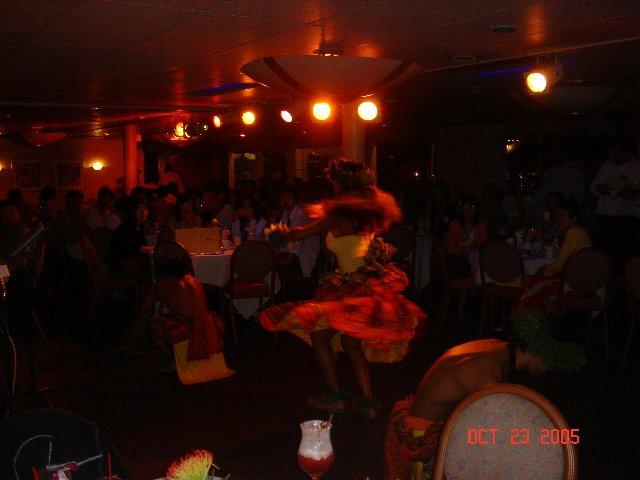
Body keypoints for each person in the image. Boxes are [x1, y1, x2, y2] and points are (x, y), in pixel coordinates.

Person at [259, 159, 426, 418]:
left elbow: (299, 234)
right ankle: (368, 402)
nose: (332, 184)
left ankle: (336, 396)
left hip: (352, 288)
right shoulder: (366, 212)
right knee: (350, 344)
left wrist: (276, 234)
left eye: (334, 180)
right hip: (365, 284)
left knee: (320, 336)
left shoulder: (340, 214)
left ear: (343, 183)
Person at [384, 310, 586, 480]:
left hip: (431, 419)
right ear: (539, 352)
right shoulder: (486, 375)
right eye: (552, 362)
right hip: (421, 437)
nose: (550, 369)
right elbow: (504, 430)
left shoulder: (496, 347)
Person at [133, 256, 225, 373]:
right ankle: (181, 357)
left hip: (189, 331)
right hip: (210, 330)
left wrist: (133, 336)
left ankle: (175, 360)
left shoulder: (159, 285)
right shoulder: (194, 281)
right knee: (177, 320)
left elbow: (144, 314)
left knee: (153, 324)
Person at [538, 199, 590, 276]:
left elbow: (563, 260)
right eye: (558, 216)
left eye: (562, 216)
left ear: (573, 218)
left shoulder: (573, 232)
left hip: (582, 274)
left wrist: (546, 272)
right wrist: (548, 267)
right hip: (581, 271)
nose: (559, 219)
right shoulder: (578, 229)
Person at [106, 199, 153, 280]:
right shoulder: (127, 226)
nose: (143, 212)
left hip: (131, 261)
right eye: (139, 209)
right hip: (121, 265)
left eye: (145, 209)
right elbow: (135, 249)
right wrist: (156, 248)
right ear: (133, 211)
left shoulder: (139, 226)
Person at [278, 187, 320, 278]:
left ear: (295, 199)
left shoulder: (301, 215)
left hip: (304, 255)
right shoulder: (285, 214)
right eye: (282, 198)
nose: (285, 201)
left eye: (288, 197)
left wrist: (286, 258)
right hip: (295, 254)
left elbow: (296, 241)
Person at [445, 195, 487, 278]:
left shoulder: (481, 225)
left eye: (473, 207)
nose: (469, 209)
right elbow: (451, 247)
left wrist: (474, 247)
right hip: (459, 261)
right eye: (466, 206)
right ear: (461, 209)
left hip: (477, 259)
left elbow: (483, 245)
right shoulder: (455, 224)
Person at [58, 190, 86, 261]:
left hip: (78, 245)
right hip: (69, 247)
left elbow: (84, 230)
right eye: (78, 201)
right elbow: (76, 230)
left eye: (81, 201)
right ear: (70, 201)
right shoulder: (64, 215)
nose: (81, 203)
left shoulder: (79, 214)